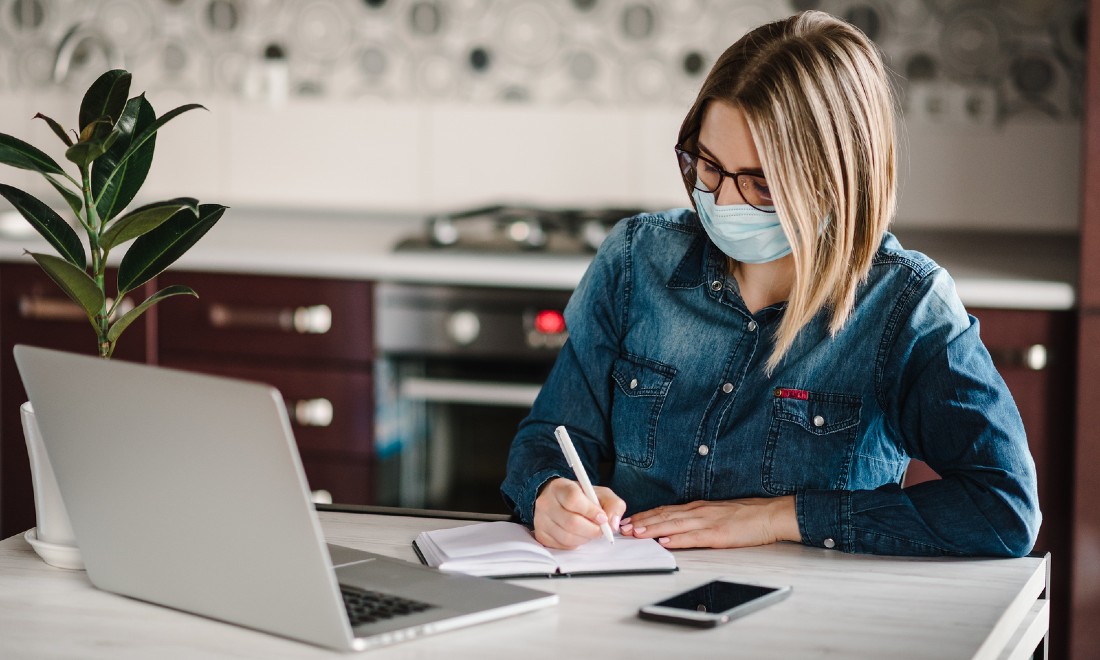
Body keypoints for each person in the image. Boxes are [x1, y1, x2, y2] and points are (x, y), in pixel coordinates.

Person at [500, 10, 1040, 557]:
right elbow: (551, 437)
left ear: (837, 182)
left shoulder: (905, 306)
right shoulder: (637, 259)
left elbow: (1004, 509)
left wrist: (779, 517)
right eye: (709, 166)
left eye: (760, 183)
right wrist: (547, 491)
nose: (725, 201)